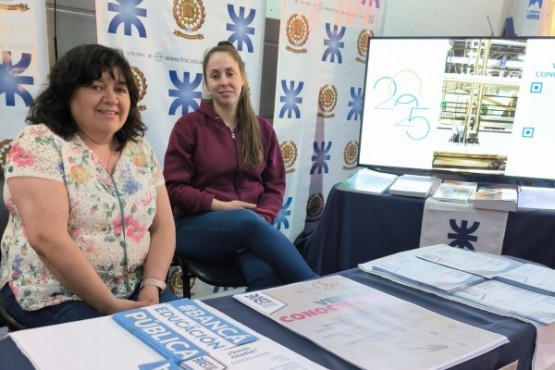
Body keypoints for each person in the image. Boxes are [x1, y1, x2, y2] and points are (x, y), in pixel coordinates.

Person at [0, 44, 176, 328]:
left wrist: (152, 285)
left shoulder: (139, 149)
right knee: (121, 354)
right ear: (67, 93)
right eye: (96, 86)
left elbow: (163, 225)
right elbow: (47, 238)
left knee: (190, 340)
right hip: (53, 293)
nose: (111, 98)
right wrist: (110, 306)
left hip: (133, 286)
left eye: (120, 89)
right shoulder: (39, 142)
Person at [163, 41, 317, 291]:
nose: (223, 81)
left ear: (243, 78)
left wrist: (263, 218)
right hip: (194, 227)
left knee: (266, 277)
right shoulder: (188, 127)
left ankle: (260, 329)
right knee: (246, 222)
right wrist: (222, 207)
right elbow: (174, 188)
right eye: (215, 75)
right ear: (207, 83)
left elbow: (274, 185)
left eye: (230, 73)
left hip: (248, 231)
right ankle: (315, 288)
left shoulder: (262, 129)